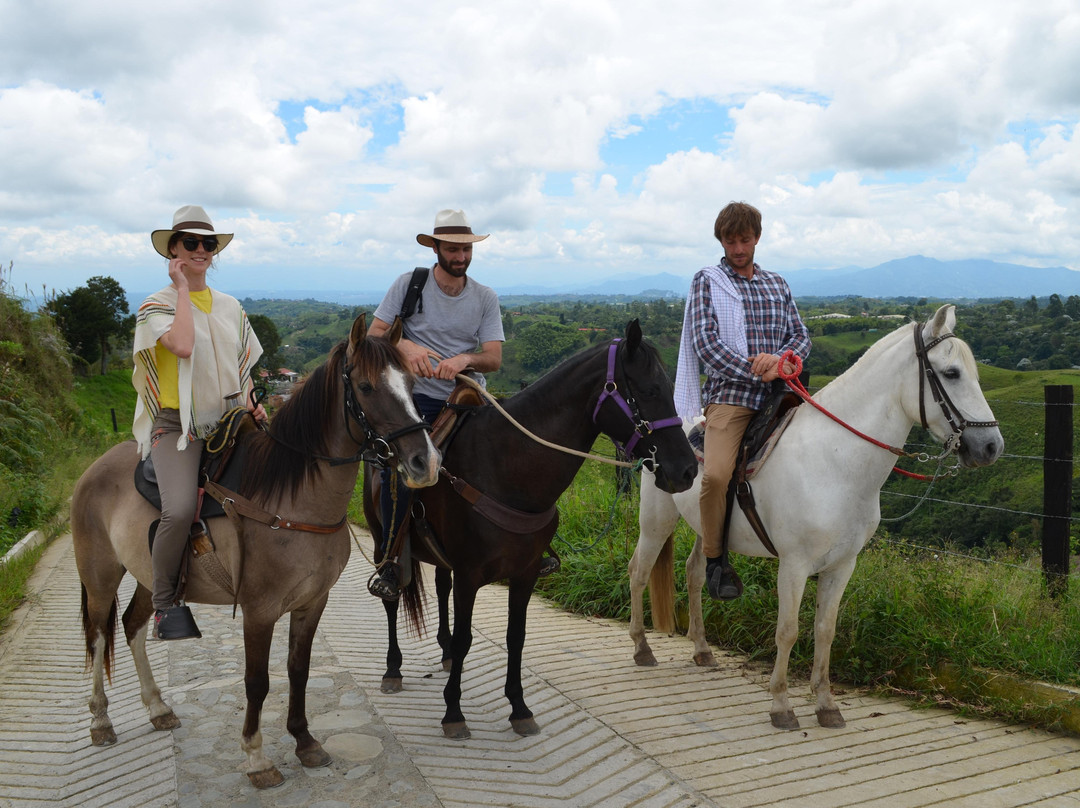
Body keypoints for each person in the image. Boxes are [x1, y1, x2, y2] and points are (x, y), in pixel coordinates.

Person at [133, 205, 265, 640]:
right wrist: (183, 289)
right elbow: (184, 347)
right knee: (180, 509)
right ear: (172, 249)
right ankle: (164, 605)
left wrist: (251, 402)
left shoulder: (231, 307)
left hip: (230, 420)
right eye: (190, 242)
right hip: (178, 427)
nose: (201, 250)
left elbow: (240, 366)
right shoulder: (157, 306)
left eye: (208, 243)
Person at [365, 209, 506, 600]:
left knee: (514, 453)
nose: (460, 256)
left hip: (466, 397)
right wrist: (405, 345)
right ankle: (391, 559)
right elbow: (374, 335)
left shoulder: (484, 297)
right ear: (437, 248)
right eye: (452, 249)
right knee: (402, 472)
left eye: (465, 249)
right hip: (415, 400)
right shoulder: (410, 285)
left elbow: (493, 358)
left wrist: (466, 359)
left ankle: (530, 545)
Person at [674, 202, 811, 600]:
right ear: (721, 240)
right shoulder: (707, 282)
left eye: (744, 240)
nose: (738, 248)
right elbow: (706, 345)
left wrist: (782, 363)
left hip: (784, 391)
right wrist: (757, 369)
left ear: (757, 238)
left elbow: (801, 336)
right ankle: (716, 562)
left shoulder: (778, 284)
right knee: (717, 474)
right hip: (732, 396)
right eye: (730, 241)